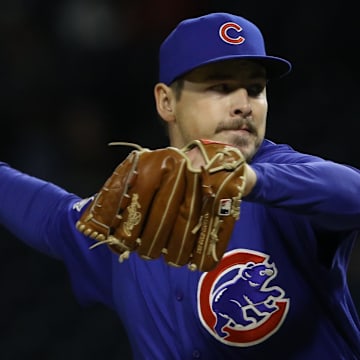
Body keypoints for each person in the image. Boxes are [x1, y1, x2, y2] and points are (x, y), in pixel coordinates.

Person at [1, 11, 360, 359]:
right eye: (220, 87)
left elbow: (351, 191)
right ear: (166, 102)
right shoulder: (135, 208)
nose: (243, 105)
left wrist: (252, 180)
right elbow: (51, 216)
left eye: (255, 88)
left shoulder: (286, 182)